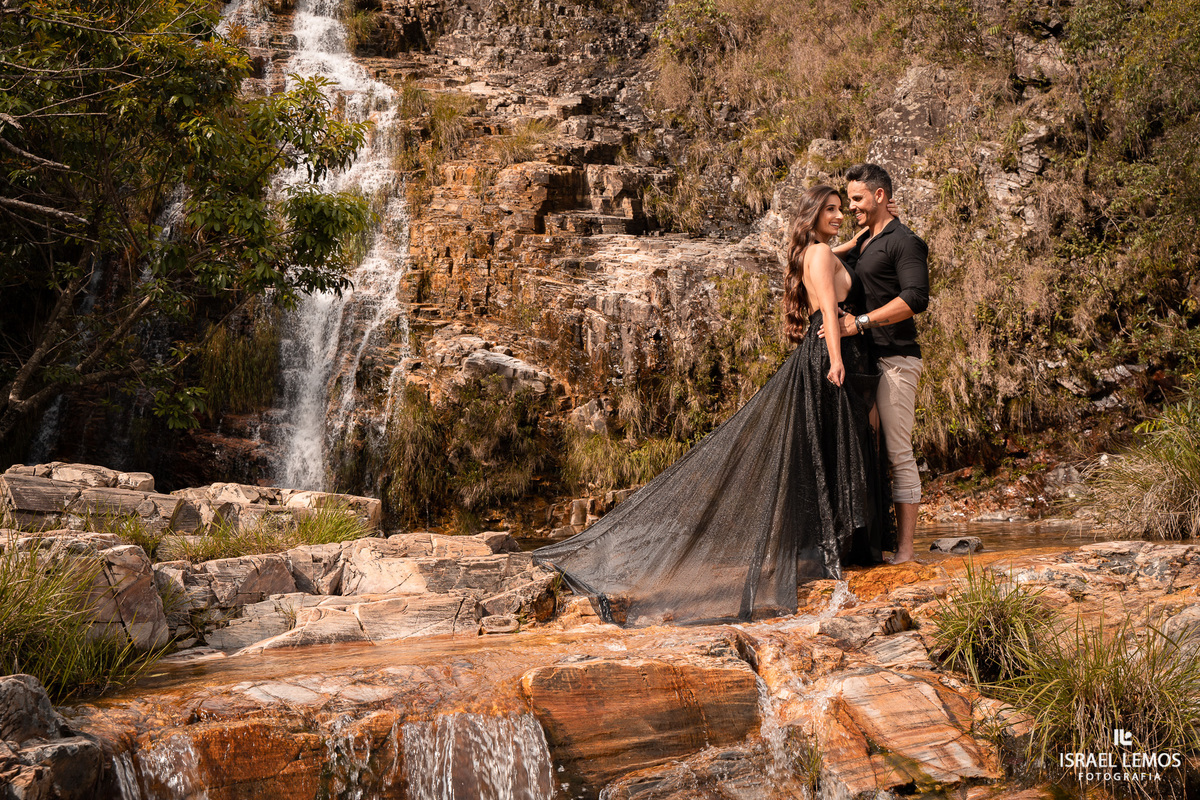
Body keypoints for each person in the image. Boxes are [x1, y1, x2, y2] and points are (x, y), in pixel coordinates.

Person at [533, 185, 892, 626]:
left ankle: (832, 546)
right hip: (830, 357)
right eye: (831, 209)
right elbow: (829, 317)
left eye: (841, 209)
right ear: (813, 214)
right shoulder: (818, 254)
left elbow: (829, 261)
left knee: (829, 449)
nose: (839, 215)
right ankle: (839, 546)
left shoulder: (815, 252)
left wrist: (856, 241)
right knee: (839, 447)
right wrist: (837, 360)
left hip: (822, 357)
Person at [821, 163, 929, 564]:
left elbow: (916, 298)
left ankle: (905, 551)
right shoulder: (865, 240)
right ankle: (872, 544)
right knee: (867, 451)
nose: (850, 207)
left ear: (879, 195)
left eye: (857, 199)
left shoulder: (905, 241)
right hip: (865, 361)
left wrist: (860, 322)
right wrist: (854, 241)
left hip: (896, 359)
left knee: (897, 452)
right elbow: (819, 259)